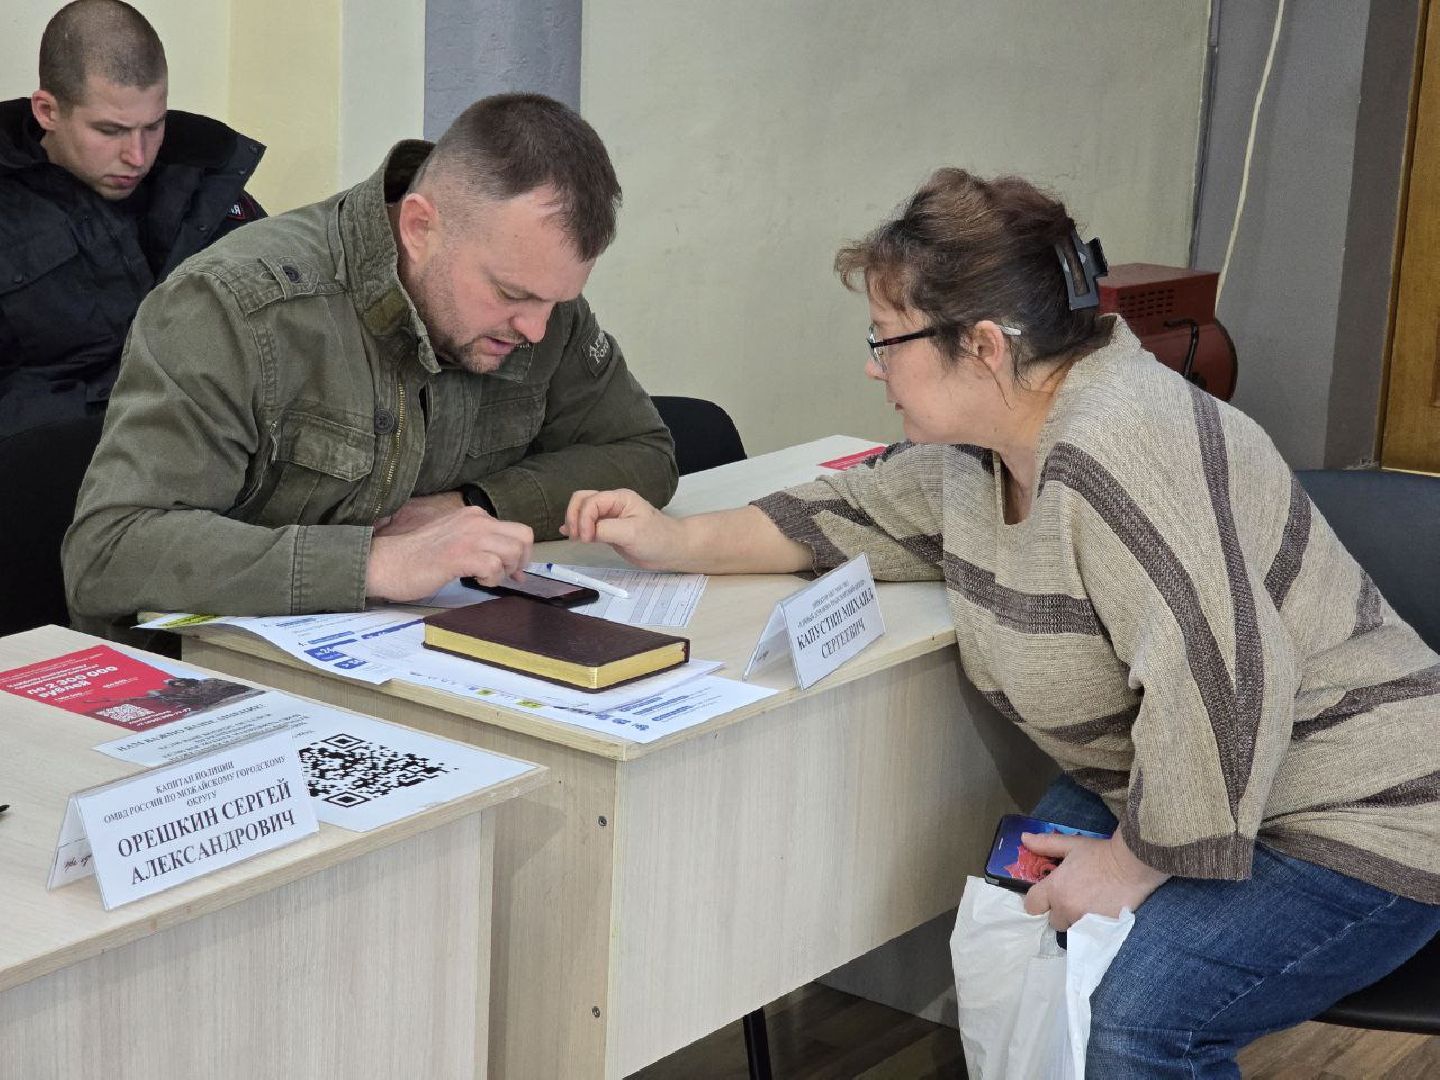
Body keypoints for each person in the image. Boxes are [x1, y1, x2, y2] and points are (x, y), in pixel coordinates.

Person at [561, 170, 1440, 1076]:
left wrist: (1132, 865)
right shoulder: (988, 450)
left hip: (1358, 810)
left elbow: (1226, 683)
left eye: (886, 338)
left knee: (1129, 1015)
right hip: (1193, 779)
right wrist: (670, 538)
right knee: (1016, 928)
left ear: (981, 346)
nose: (873, 364)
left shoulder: (1124, 449)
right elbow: (847, 513)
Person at [63, 92, 677, 644]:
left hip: (404, 665)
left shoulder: (536, 302)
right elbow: (109, 551)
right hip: (208, 691)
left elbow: (641, 451)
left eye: (557, 302)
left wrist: (477, 503)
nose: (537, 329)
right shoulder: (233, 307)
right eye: (513, 296)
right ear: (419, 227)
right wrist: (377, 564)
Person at [0, 0, 265, 438]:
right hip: (57, 475)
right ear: (47, 111)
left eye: (153, 126)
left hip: (222, 455)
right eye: (110, 131)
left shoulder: (205, 178)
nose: (137, 156)